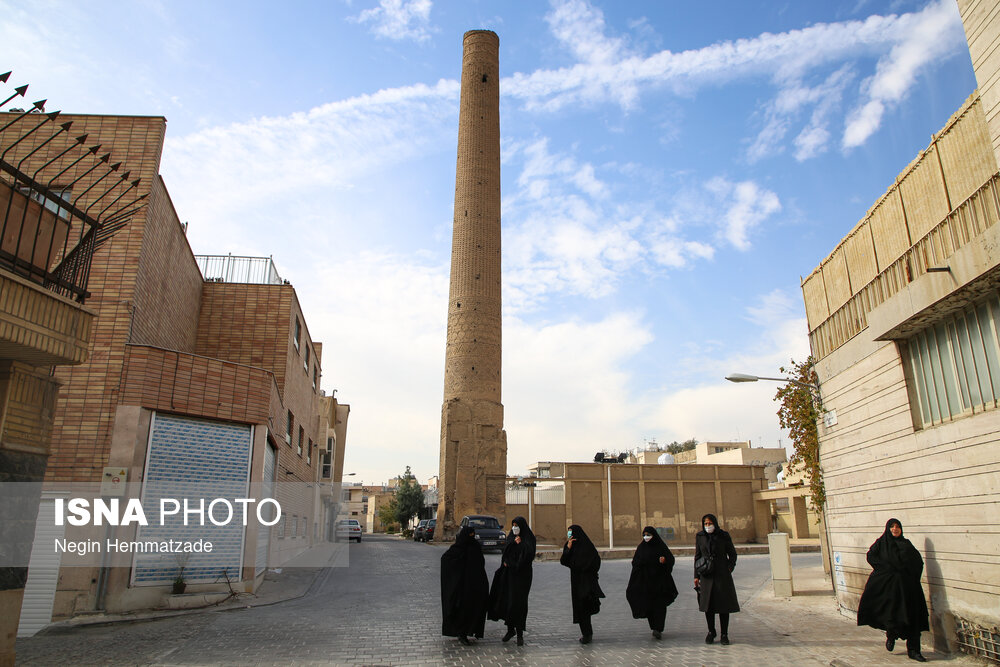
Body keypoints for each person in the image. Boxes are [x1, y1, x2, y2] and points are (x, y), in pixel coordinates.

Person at [856, 518, 930, 662]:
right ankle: (891, 634)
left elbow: (918, 562)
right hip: (890, 589)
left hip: (908, 590)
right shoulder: (882, 543)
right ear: (888, 529)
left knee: (912, 618)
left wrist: (912, 578)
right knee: (892, 615)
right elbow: (871, 556)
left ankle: (914, 651)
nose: (895, 529)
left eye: (897, 527)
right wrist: (885, 569)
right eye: (892, 527)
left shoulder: (907, 545)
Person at [488, 516, 536, 646]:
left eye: (517, 525)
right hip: (509, 575)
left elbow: (529, 555)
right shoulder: (510, 538)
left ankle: (520, 633)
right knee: (508, 602)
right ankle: (510, 630)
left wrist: (521, 544)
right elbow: (505, 554)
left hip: (522, 576)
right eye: (513, 525)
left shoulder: (528, 539)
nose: (515, 528)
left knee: (519, 603)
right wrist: (507, 561)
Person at [693, 513, 739, 645]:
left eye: (710, 523)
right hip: (706, 576)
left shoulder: (723, 536)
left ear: (715, 523)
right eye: (705, 524)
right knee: (709, 606)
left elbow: (732, 554)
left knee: (723, 606)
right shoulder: (700, 537)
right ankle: (711, 631)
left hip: (721, 576)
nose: (708, 526)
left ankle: (724, 634)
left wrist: (729, 567)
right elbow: (697, 556)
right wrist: (696, 576)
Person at [626, 526, 678, 639]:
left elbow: (670, 559)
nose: (646, 537)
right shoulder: (641, 547)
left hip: (659, 583)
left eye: (648, 535)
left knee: (659, 606)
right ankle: (654, 626)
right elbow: (635, 562)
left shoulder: (660, 546)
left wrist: (664, 561)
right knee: (649, 606)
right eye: (644, 535)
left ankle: (658, 628)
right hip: (646, 584)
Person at [440, 526, 489, 645]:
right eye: (470, 534)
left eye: (473, 534)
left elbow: (481, 563)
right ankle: (462, 634)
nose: (471, 537)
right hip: (461, 587)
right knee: (462, 610)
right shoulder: (458, 548)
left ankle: (473, 631)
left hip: (474, 585)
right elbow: (446, 560)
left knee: (475, 608)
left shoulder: (475, 546)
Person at [559, 524, 605, 644]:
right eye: (568, 532)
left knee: (585, 607)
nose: (569, 534)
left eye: (571, 532)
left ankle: (587, 634)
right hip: (576, 582)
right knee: (580, 608)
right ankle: (586, 633)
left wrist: (587, 569)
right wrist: (568, 548)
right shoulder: (570, 546)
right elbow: (563, 561)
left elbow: (596, 561)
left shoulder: (587, 546)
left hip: (588, 582)